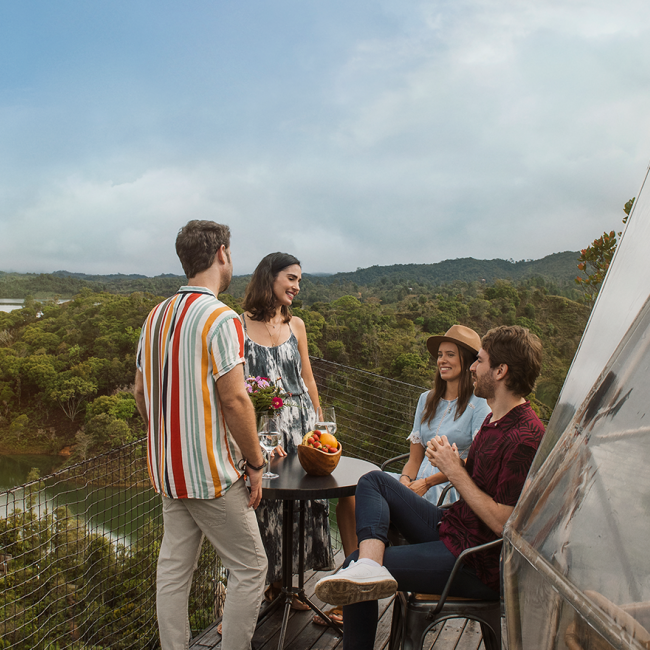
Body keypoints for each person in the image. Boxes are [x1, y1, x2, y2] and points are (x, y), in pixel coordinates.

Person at [314, 325, 545, 650]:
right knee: (374, 481)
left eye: (479, 361)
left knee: (351, 566)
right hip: (454, 527)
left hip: (476, 561)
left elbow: (503, 524)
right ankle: (370, 564)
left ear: (501, 371)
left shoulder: (525, 437)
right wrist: (451, 467)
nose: (473, 368)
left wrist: (454, 471)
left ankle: (364, 565)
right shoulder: (494, 420)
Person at [134, 220, 268, 650]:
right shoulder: (221, 317)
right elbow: (235, 401)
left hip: (168, 472)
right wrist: (255, 463)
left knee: (173, 571)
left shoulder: (154, 316)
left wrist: (164, 432)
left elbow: (140, 392)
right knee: (251, 567)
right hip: (211, 475)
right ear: (222, 254)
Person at [394, 325, 490, 506]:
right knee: (368, 484)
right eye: (440, 355)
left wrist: (427, 483)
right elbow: (414, 459)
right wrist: (405, 481)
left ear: (468, 361)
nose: (442, 360)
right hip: (417, 485)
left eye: (450, 355)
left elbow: (475, 461)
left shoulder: (479, 403)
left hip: (448, 489)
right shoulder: (426, 399)